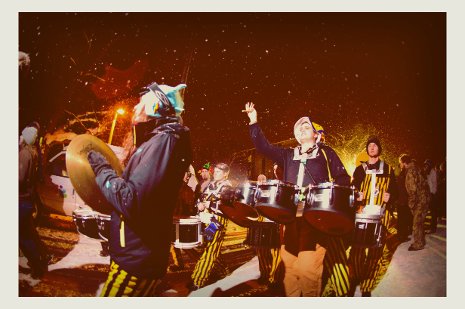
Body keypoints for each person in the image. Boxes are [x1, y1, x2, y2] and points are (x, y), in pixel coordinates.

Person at [87, 82, 192, 296]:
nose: (135, 107)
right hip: (134, 253)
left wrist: (102, 168)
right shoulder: (158, 141)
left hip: (136, 259)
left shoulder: (164, 142)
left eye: (141, 103)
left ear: (156, 106)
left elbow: (130, 200)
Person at [244, 102, 352, 297]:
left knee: (308, 270)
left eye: (306, 127)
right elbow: (263, 147)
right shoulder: (288, 155)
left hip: (315, 218)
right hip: (291, 218)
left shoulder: (326, 153)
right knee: (290, 270)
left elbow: (343, 178)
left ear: (316, 134)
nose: (302, 130)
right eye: (299, 128)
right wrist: (254, 122)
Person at [347, 136, 397, 297]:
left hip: (380, 216)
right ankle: (353, 279)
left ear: (379, 149)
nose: (372, 147)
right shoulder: (360, 169)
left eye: (375, 145)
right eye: (370, 145)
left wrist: (391, 196)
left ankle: (367, 286)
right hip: (362, 215)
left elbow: (396, 190)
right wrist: (356, 194)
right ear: (367, 150)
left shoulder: (388, 169)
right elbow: (352, 189)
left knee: (375, 253)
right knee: (357, 251)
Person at [189, 163, 233, 290]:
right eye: (216, 171)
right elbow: (202, 198)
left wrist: (208, 205)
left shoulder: (227, 187)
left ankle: (198, 280)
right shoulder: (212, 185)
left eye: (220, 172)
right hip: (208, 219)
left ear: (226, 174)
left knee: (210, 250)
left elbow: (227, 208)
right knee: (210, 247)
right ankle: (223, 270)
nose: (216, 173)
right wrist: (199, 204)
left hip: (217, 221)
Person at [19, 123, 48, 279]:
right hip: (28, 199)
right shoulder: (34, 152)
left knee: (22, 235)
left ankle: (37, 265)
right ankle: (41, 259)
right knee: (27, 232)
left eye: (22, 135)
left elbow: (19, 178)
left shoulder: (24, 153)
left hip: (21, 199)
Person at [252, 174, 283, 288]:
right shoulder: (265, 184)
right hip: (263, 221)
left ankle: (274, 278)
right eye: (274, 168)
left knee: (275, 252)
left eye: (278, 167)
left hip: (275, 221)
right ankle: (264, 274)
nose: (276, 170)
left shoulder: (285, 183)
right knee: (262, 251)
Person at [399, 154, 430, 251]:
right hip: (424, 198)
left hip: (419, 200)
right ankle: (421, 240)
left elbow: (413, 189)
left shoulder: (410, 172)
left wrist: (411, 204)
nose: (400, 165)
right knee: (420, 221)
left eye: (400, 163)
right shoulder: (417, 168)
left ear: (404, 163)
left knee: (416, 223)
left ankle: (418, 244)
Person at [169, 170, 197, 272]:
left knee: (184, 244)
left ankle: (200, 260)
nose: (188, 177)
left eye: (188, 175)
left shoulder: (186, 189)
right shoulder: (174, 186)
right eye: (186, 174)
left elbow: (188, 205)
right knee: (173, 243)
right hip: (173, 218)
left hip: (182, 220)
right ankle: (179, 263)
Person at [396, 159, 413, 242]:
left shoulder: (401, 173)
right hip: (403, 200)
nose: (401, 165)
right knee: (403, 219)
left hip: (401, 199)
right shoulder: (404, 173)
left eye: (401, 163)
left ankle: (401, 235)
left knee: (401, 219)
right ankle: (402, 236)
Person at [423, 159, 438, 233]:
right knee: (429, 211)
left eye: (426, 165)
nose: (425, 166)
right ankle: (430, 226)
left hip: (432, 194)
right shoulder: (429, 172)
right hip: (429, 194)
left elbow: (433, 184)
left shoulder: (432, 172)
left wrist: (431, 193)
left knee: (433, 212)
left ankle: (432, 228)